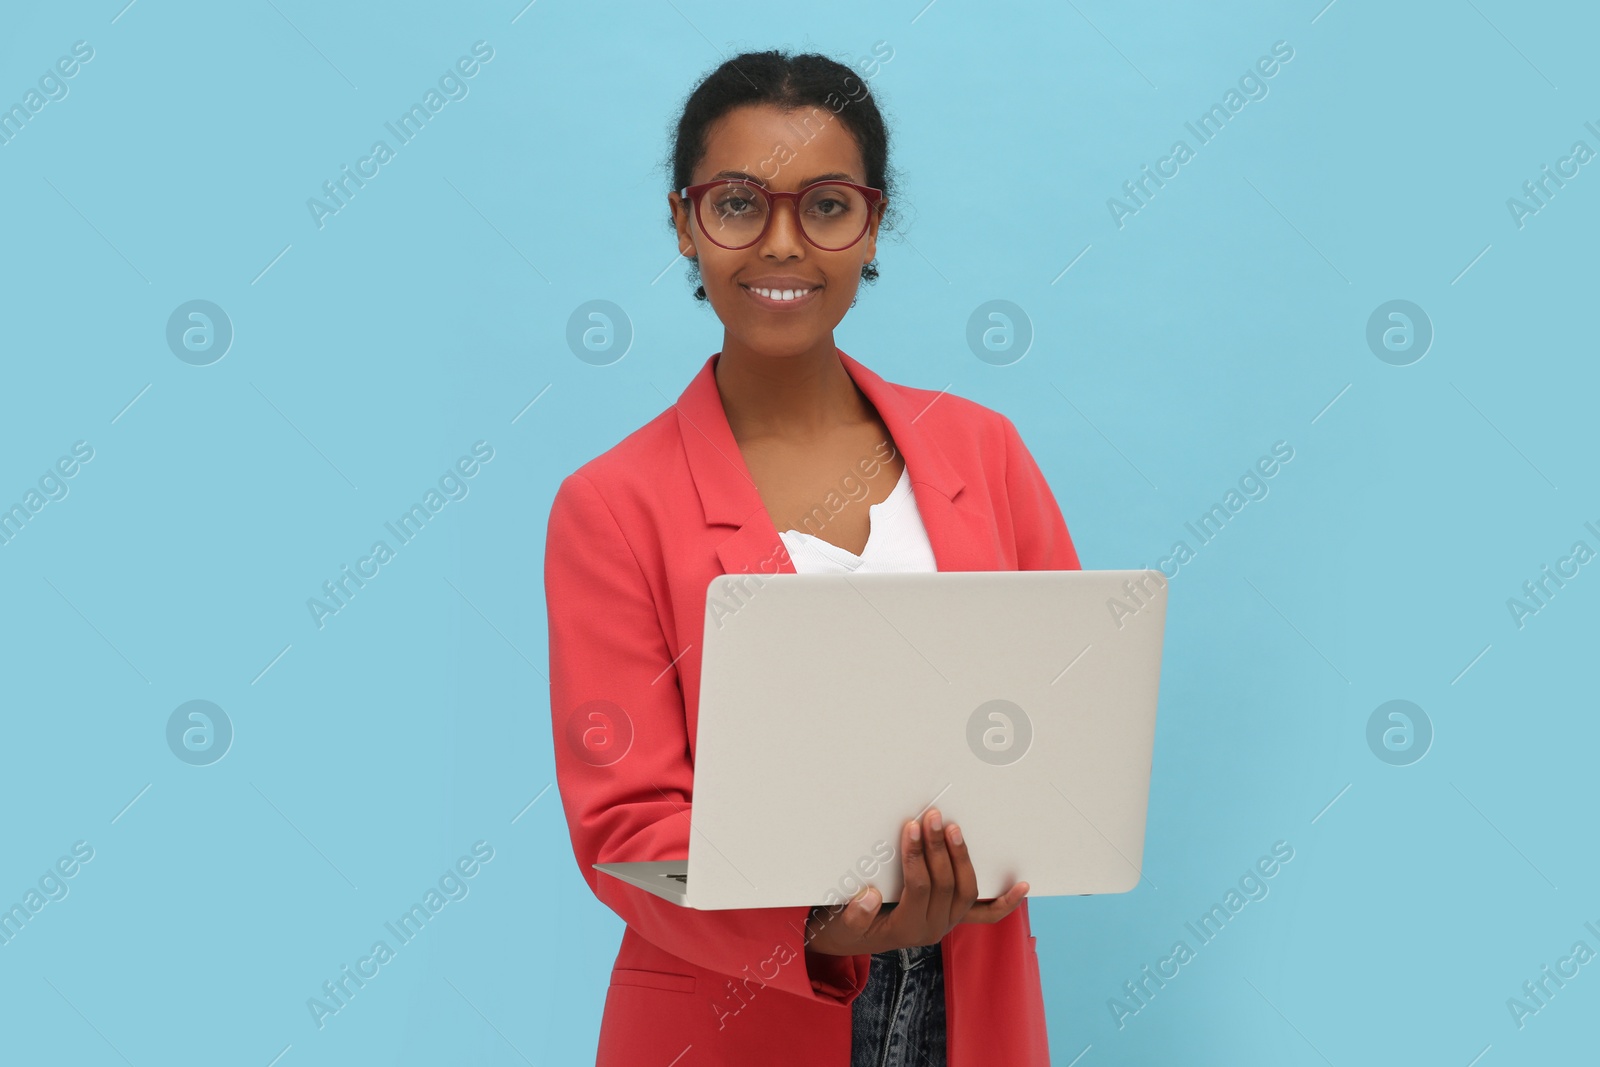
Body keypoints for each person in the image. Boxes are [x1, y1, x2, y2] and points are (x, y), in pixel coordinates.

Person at [544, 49, 1080, 1067]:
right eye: (738, 204)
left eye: (825, 206)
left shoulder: (984, 452)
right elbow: (625, 831)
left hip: (968, 996)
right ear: (682, 221)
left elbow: (1067, 717)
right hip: (733, 1014)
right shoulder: (609, 506)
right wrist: (822, 930)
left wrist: (1024, 840)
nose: (781, 244)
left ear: (871, 223)